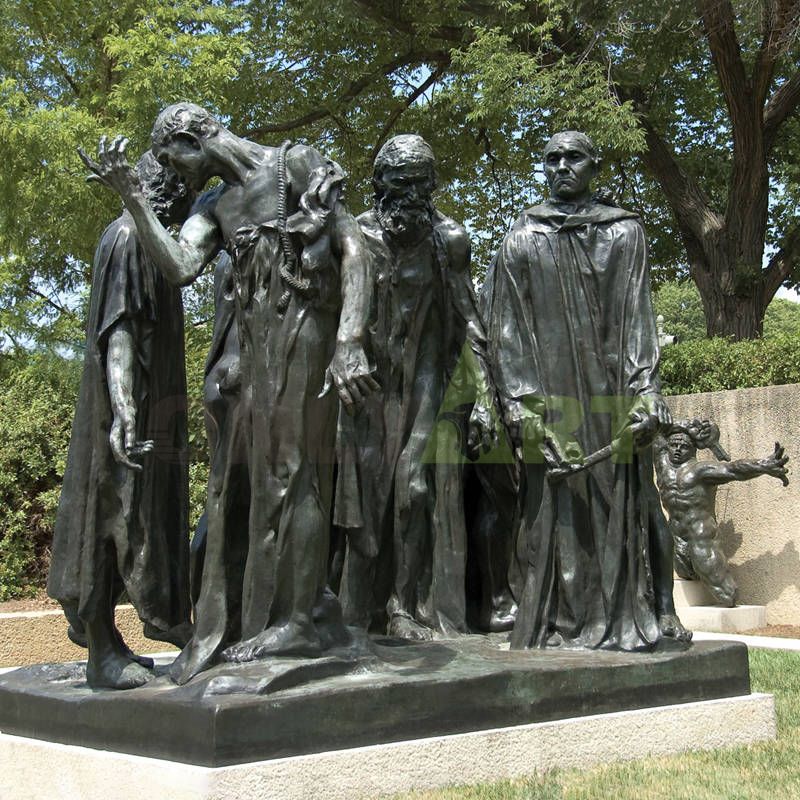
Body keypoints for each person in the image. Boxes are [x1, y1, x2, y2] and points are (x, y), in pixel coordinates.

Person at [80, 103, 376, 683]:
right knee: (247, 486)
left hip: (306, 336)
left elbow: (353, 249)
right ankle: (256, 616)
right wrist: (134, 200)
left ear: (195, 138)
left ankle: (300, 620)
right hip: (254, 352)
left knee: (297, 475)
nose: (181, 176)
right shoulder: (214, 206)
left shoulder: (295, 163)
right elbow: (181, 265)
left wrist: (350, 341)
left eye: (177, 161)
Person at [483, 130, 679, 652]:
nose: (562, 167)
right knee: (551, 508)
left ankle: (624, 617)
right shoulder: (522, 237)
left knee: (619, 504)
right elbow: (505, 330)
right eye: (552, 159)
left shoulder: (624, 233)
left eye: (573, 158)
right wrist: (520, 404)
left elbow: (638, 315)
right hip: (548, 396)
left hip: (611, 393)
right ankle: (556, 619)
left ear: (595, 165)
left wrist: (645, 389)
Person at [336, 134, 498, 640]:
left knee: (414, 488)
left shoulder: (448, 240)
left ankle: (404, 607)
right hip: (366, 389)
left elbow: (470, 321)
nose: (409, 192)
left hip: (425, 382)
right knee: (362, 499)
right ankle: (351, 615)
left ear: (433, 184)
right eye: (398, 181)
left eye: (419, 183)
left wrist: (487, 400)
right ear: (379, 182)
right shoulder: (355, 235)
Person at [47, 151, 194, 689]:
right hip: (129, 401)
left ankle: (161, 623)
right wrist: (125, 410)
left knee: (141, 510)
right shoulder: (130, 237)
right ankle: (101, 648)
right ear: (169, 192)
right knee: (115, 511)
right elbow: (121, 330)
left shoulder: (151, 241)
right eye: (186, 193)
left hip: (151, 400)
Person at [654, 419, 789, 606]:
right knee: (683, 574)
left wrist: (763, 466)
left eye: (683, 446)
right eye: (673, 445)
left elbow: (733, 469)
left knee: (727, 596)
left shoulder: (700, 470)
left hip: (700, 536)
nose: (677, 450)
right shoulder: (662, 465)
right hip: (675, 539)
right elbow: (656, 428)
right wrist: (688, 427)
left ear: (693, 450)